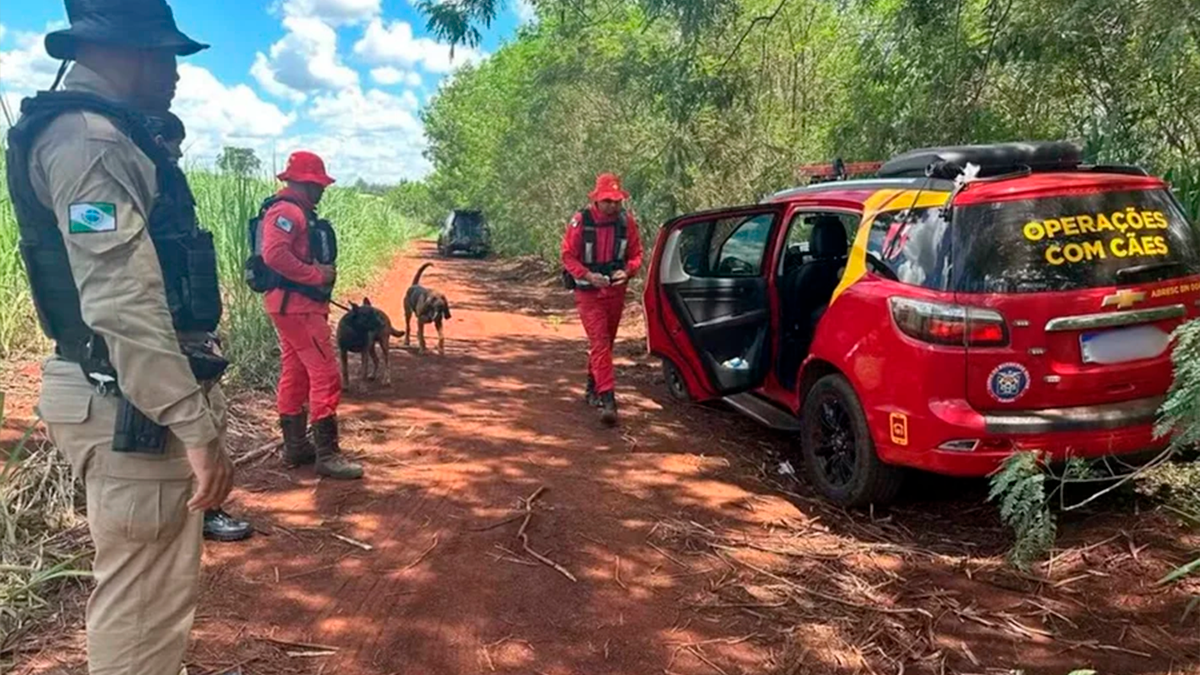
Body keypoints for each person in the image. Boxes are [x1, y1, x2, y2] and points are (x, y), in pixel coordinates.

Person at [4, 1, 234, 674]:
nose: (174, 73)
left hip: (119, 393)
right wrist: (193, 426)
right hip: (132, 403)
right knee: (141, 610)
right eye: (164, 55)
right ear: (126, 52)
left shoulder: (91, 130)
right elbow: (123, 301)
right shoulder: (91, 141)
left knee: (145, 595)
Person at [146, 111, 253, 543]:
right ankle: (203, 512)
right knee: (198, 422)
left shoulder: (165, 187)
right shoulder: (147, 184)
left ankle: (200, 510)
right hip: (168, 335)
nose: (178, 152)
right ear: (157, 138)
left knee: (212, 415)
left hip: (187, 330)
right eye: (174, 143)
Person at [256, 151, 363, 479]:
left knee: (297, 372)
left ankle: (296, 447)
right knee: (325, 374)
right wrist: (315, 275)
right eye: (318, 184)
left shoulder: (291, 211)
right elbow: (274, 254)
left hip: (291, 306)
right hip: (298, 307)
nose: (322, 191)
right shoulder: (288, 212)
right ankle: (328, 455)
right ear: (303, 183)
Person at [561, 173, 644, 426]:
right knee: (599, 342)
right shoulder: (580, 222)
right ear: (597, 199)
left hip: (615, 293)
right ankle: (608, 400)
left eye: (616, 201)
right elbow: (567, 256)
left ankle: (592, 387)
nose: (612, 206)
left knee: (606, 344)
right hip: (589, 293)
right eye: (608, 201)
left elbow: (636, 254)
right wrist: (587, 274)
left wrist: (627, 271)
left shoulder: (626, 222)